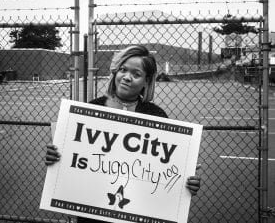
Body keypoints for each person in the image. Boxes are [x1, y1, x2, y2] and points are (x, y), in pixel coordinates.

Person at [45, 45, 201, 223]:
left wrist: (185, 182)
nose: (126, 77)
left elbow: (165, 175)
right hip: (94, 213)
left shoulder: (156, 116)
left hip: (137, 214)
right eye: (123, 70)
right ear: (115, 73)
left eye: (136, 74)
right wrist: (56, 159)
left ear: (146, 82)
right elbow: (73, 162)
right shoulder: (91, 109)